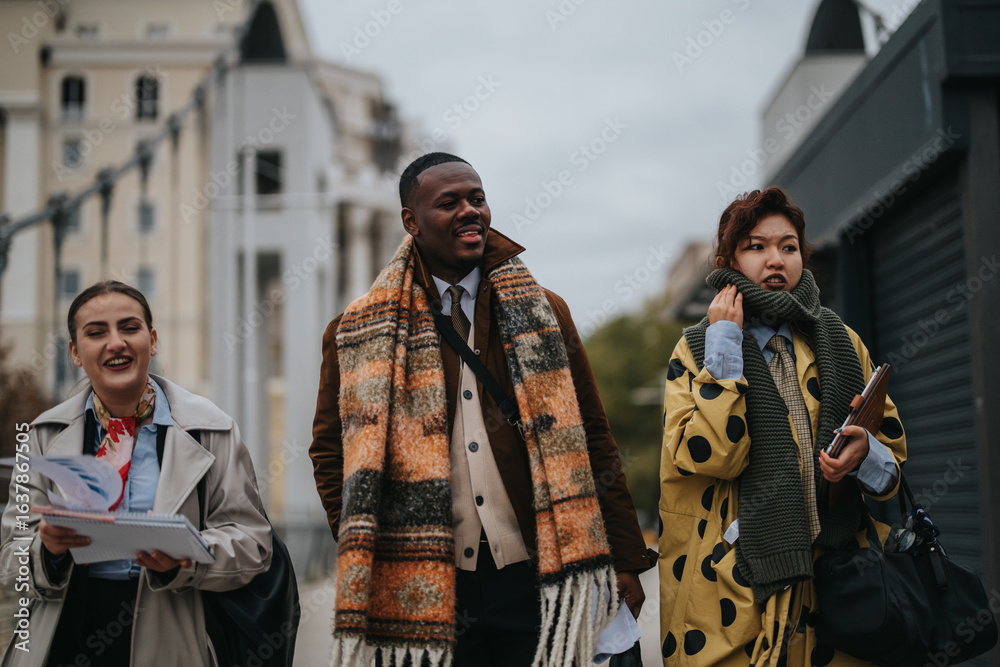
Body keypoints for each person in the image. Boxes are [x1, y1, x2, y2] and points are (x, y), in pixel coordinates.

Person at [310, 152, 655, 667]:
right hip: (429, 587)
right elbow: (329, 451)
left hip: (540, 577)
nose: (470, 211)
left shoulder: (545, 309)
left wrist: (625, 557)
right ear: (411, 221)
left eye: (477, 198)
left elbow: (594, 436)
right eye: (449, 203)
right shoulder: (354, 330)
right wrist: (365, 540)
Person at [658, 188, 907, 666]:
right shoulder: (695, 349)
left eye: (788, 246)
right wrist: (725, 344)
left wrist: (865, 458)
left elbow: (891, 466)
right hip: (733, 590)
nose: (775, 260)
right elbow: (712, 456)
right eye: (756, 246)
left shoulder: (841, 340)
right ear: (727, 258)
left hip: (840, 588)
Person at [0, 281, 273, 666]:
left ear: (153, 340)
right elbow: (8, 561)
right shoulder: (41, 437)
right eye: (96, 333)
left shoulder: (213, 429)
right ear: (75, 353)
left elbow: (253, 546)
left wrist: (187, 559)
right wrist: (49, 551)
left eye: (130, 328)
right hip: (63, 636)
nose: (116, 343)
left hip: (171, 634)